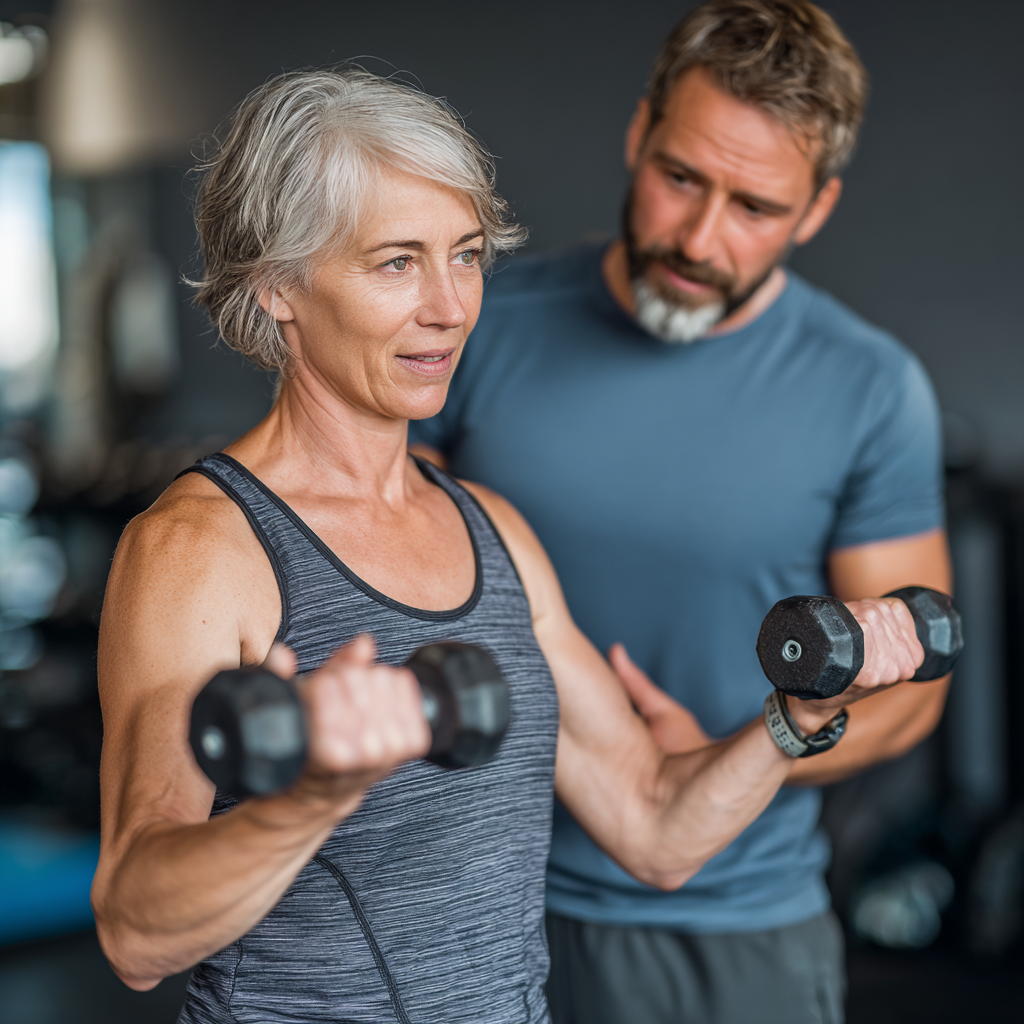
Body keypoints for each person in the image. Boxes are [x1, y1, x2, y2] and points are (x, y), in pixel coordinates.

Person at [91, 68, 923, 1024]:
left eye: (467, 255)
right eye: (396, 262)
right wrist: (310, 801)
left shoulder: (493, 530)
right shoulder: (200, 549)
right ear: (278, 284)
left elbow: (653, 827)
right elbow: (135, 934)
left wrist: (801, 717)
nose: (449, 307)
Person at [409, 2, 952, 1022]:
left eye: (754, 206)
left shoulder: (870, 387)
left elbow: (913, 693)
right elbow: (377, 567)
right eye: (680, 179)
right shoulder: (474, 322)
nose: (699, 238)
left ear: (817, 209)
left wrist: (727, 757)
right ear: (637, 134)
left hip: (730, 923)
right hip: (471, 894)